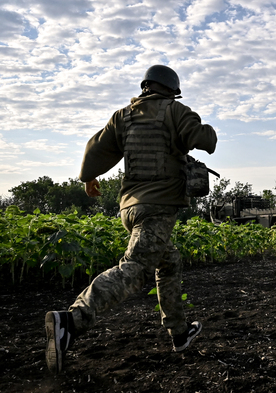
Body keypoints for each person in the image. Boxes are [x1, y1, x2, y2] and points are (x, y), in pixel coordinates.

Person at [45, 65, 217, 374]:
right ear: (171, 89)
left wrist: (89, 178)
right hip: (158, 207)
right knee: (136, 269)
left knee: (169, 262)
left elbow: (95, 148)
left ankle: (179, 332)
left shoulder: (122, 116)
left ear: (145, 86)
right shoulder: (176, 110)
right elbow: (203, 140)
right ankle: (72, 320)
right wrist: (206, 131)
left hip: (129, 207)